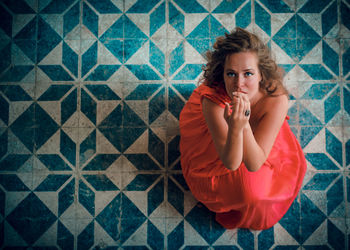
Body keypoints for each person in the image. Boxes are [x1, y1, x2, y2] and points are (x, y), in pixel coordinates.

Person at [179, 27, 307, 230]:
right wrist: (235, 129)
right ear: (222, 74)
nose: (239, 84)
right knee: (248, 190)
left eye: (248, 74)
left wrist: (243, 124)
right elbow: (230, 162)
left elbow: (255, 163)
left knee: (259, 192)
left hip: (252, 143)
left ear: (261, 74)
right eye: (231, 74)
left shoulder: (276, 98)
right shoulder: (213, 101)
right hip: (219, 152)